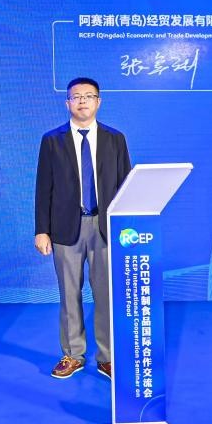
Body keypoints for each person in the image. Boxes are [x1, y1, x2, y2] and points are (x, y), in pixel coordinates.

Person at [34, 77, 131, 379]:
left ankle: (107, 357)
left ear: (98, 102)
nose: (82, 101)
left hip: (105, 227)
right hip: (66, 229)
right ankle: (73, 354)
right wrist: (42, 230)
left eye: (88, 96)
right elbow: (43, 188)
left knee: (106, 294)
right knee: (69, 294)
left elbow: (126, 184)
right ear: (67, 103)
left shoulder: (115, 139)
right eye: (76, 96)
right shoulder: (52, 140)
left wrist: (125, 226)